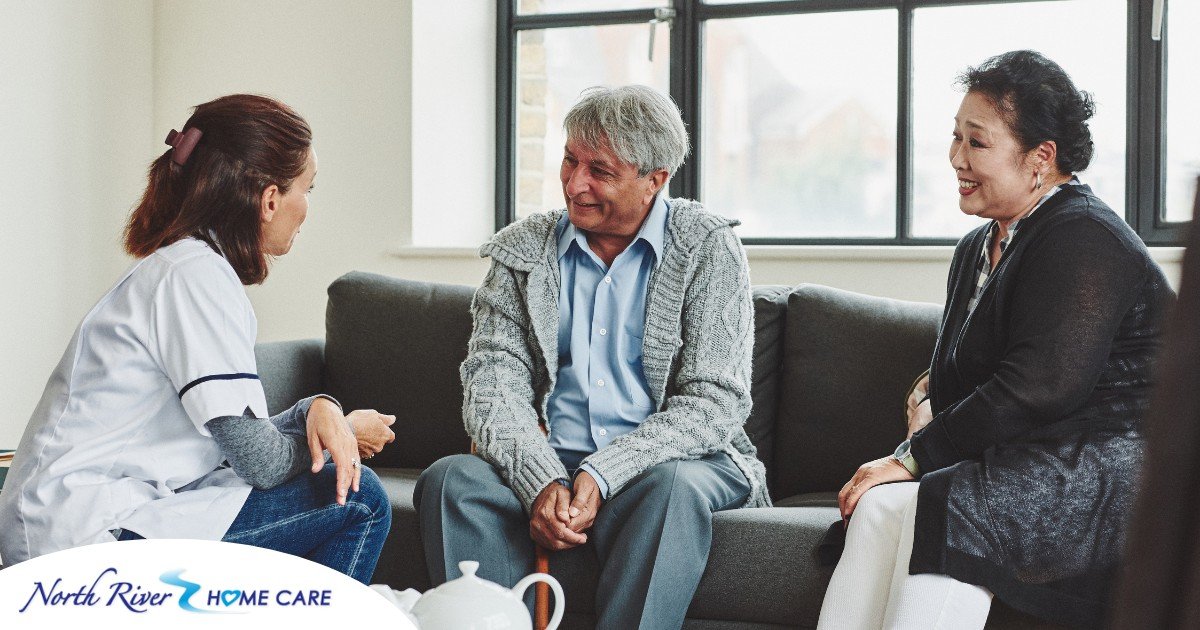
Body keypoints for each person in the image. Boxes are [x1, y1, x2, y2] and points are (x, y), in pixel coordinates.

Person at [817, 50, 1174, 629]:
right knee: (879, 507)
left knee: (954, 505)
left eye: (976, 143)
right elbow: (955, 371)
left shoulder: (1083, 235)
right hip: (1034, 451)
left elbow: (1040, 387)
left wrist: (913, 458)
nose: (955, 157)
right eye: (955, 138)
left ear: (1040, 159)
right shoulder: (976, 247)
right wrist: (926, 401)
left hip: (1115, 463)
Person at [414, 85, 770, 629]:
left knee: (670, 489)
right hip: (550, 464)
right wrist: (541, 480)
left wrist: (603, 475)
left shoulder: (707, 247)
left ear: (656, 179)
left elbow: (714, 403)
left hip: (672, 466)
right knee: (452, 479)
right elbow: (491, 382)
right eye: (569, 160)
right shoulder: (523, 251)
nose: (575, 184)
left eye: (599, 170)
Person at [0, 94, 395, 583]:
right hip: (81, 538)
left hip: (86, 518)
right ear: (270, 199)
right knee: (360, 500)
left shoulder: (188, 268)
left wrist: (315, 408)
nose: (307, 209)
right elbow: (261, 463)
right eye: (307, 190)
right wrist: (348, 437)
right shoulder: (195, 277)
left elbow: (238, 436)